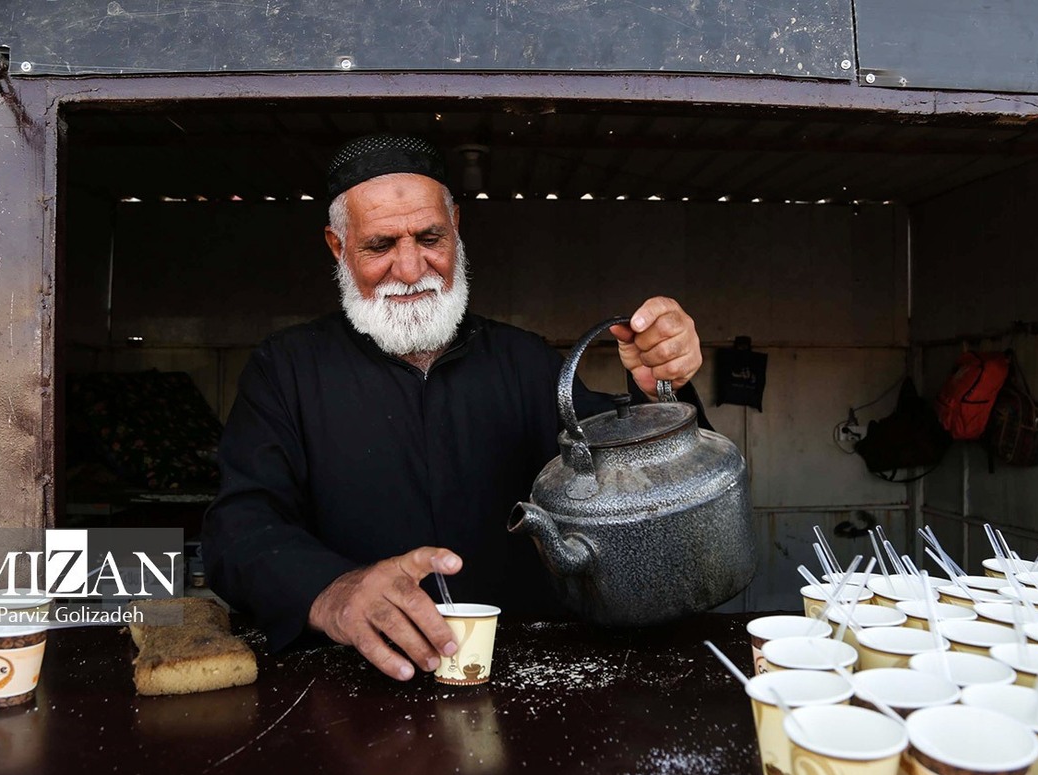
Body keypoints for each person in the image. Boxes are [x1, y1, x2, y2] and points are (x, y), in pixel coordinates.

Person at [202, 134, 706, 681]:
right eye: (379, 246)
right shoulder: (286, 370)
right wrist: (333, 592)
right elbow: (238, 528)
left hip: (527, 679)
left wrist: (660, 388)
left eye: (429, 237)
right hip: (350, 686)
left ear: (456, 229)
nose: (412, 268)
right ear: (336, 247)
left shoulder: (526, 362)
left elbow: (629, 494)